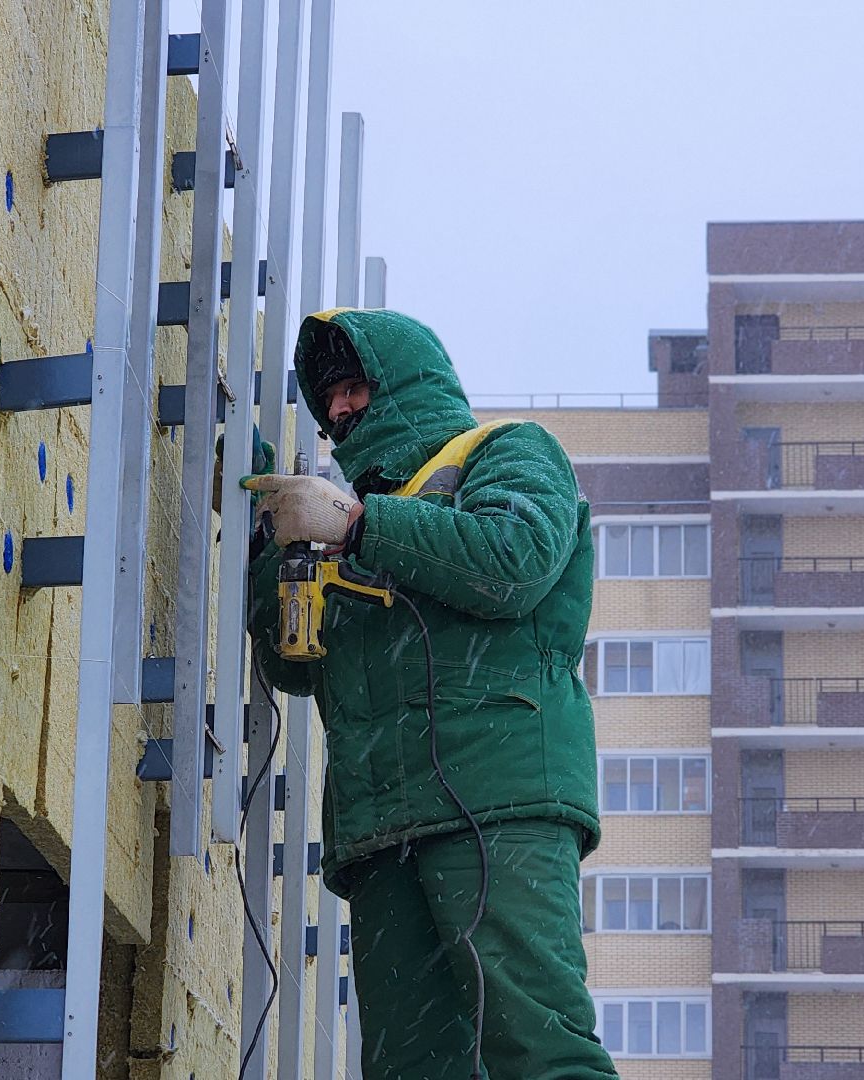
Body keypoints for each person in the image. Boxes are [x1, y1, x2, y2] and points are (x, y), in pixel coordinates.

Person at [243, 309, 617, 1080]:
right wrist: (265, 538)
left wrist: (356, 526)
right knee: (412, 1068)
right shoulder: (360, 525)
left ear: (404, 381)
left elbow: (512, 560)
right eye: (329, 399)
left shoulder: (506, 452)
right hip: (382, 829)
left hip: (498, 803)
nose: (340, 409)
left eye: (353, 387)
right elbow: (297, 663)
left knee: (538, 1047)